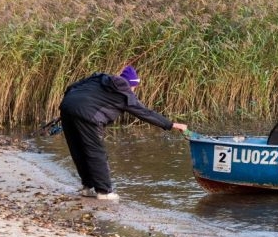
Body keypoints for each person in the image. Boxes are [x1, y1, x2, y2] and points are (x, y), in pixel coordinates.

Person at [58, 65, 187, 200]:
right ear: (131, 84)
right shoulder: (124, 93)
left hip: (67, 107)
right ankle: (104, 192)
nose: (133, 90)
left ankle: (87, 187)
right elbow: (145, 113)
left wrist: (71, 105)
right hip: (88, 115)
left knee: (78, 150)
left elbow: (71, 87)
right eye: (134, 87)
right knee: (95, 152)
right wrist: (171, 124)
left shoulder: (99, 78)